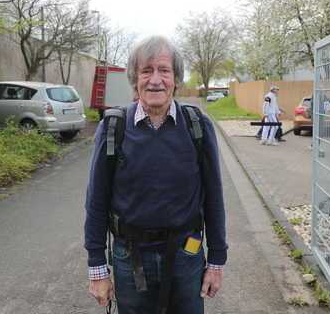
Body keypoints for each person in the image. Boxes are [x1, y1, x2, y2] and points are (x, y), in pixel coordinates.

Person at [84, 35, 228, 314]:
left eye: (164, 70)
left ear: (175, 79)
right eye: (146, 71)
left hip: (187, 254)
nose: (155, 80)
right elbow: (96, 201)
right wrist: (97, 267)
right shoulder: (113, 127)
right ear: (135, 79)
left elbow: (214, 197)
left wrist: (216, 262)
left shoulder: (197, 125)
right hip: (129, 258)